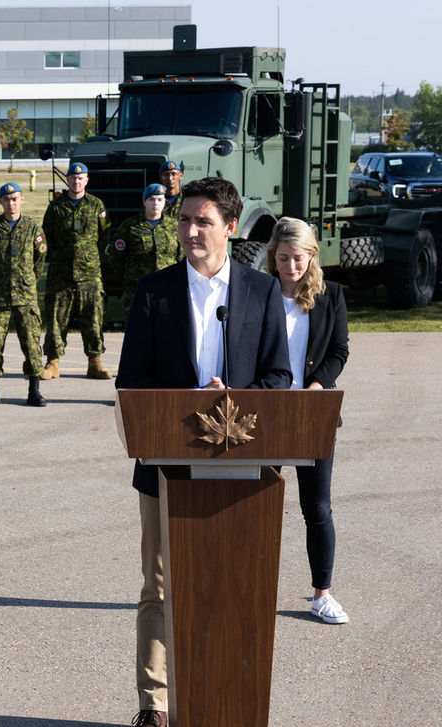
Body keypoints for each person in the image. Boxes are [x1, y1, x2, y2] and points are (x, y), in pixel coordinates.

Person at [115, 177, 291, 727]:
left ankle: (229, 697)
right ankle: (155, 703)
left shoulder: (262, 292)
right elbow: (131, 380)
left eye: (203, 221)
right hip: (166, 467)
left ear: (231, 227)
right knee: (160, 587)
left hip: (242, 472)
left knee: (236, 585)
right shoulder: (154, 291)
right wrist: (188, 402)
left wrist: (233, 401)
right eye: (185, 219)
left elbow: (280, 378)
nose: (190, 230)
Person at [267, 217, 351, 625]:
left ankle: (322, 594)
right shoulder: (259, 293)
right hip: (266, 415)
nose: (290, 266)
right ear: (273, 257)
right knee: (259, 505)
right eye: (283, 258)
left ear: (312, 255)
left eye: (298, 258)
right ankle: (253, 586)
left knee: (316, 507)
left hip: (313, 414)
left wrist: (319, 385)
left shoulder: (331, 295)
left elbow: (339, 350)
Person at [0, 181, 48, 407]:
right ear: (0, 201)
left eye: (15, 198)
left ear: (22, 200)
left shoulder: (33, 228)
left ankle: (34, 389)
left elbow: (39, 261)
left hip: (26, 296)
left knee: (31, 343)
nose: (11, 203)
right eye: (7, 199)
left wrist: (26, 281)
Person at [41, 161, 112, 381]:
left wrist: (88, 257)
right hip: (61, 273)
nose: (76, 181)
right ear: (68, 180)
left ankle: (94, 362)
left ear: (87, 180)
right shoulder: (56, 207)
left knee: (92, 319)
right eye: (73, 177)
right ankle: (52, 362)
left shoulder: (96, 205)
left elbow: (104, 237)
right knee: (55, 320)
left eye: (81, 178)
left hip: (89, 274)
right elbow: (47, 236)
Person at [109, 183, 181, 323]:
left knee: (166, 334)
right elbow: (116, 258)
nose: (155, 203)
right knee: (138, 335)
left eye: (160, 200)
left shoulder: (174, 227)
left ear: (164, 202)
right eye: (151, 199)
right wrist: (129, 279)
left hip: (167, 291)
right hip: (137, 291)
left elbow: (181, 257)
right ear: (144, 202)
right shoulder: (130, 226)